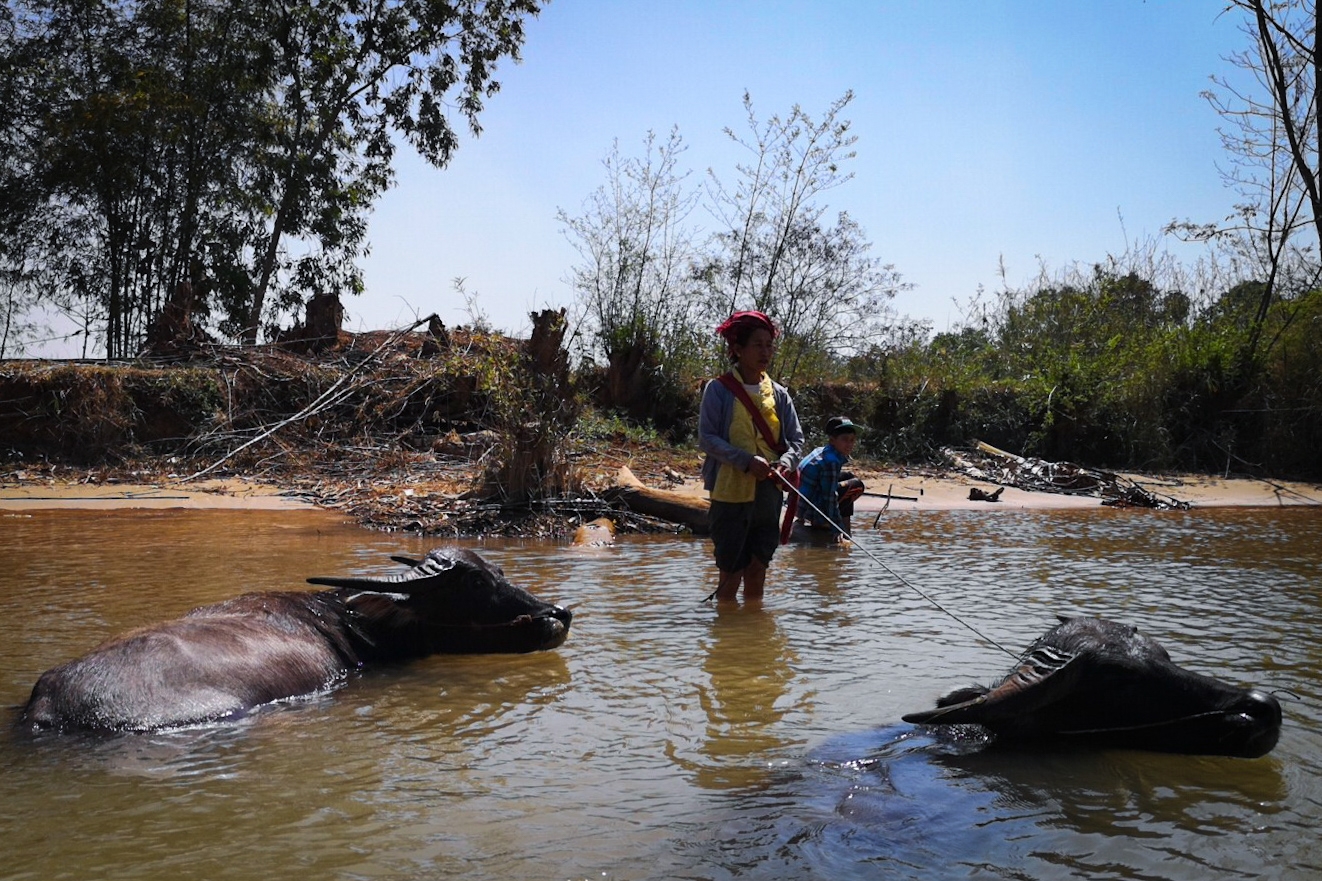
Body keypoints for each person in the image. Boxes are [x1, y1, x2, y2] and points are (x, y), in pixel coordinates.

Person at [698, 310, 804, 603]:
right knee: (731, 570)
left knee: (758, 567)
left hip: (768, 493)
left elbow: (796, 440)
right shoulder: (717, 390)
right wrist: (746, 461)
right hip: (728, 492)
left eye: (769, 345)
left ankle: (753, 635)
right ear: (738, 349)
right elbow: (707, 438)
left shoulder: (780, 394)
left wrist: (785, 464)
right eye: (758, 344)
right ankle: (729, 634)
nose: (765, 352)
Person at [797, 416, 866, 541]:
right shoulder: (831, 462)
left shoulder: (821, 451)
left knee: (848, 477)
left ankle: (844, 530)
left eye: (852, 440)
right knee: (856, 485)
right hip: (810, 509)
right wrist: (836, 527)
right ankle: (838, 529)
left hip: (801, 505)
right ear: (832, 440)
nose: (849, 444)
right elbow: (830, 497)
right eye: (845, 440)